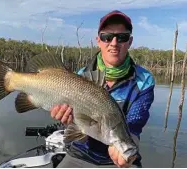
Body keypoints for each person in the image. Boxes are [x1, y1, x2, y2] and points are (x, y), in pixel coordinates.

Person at [49, 10, 155, 168]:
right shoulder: (81, 77)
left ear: (130, 41)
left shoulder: (144, 80)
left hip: (117, 158)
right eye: (107, 37)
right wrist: (65, 120)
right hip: (80, 153)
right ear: (98, 40)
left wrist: (124, 149)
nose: (114, 43)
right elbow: (75, 125)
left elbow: (134, 123)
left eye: (122, 37)